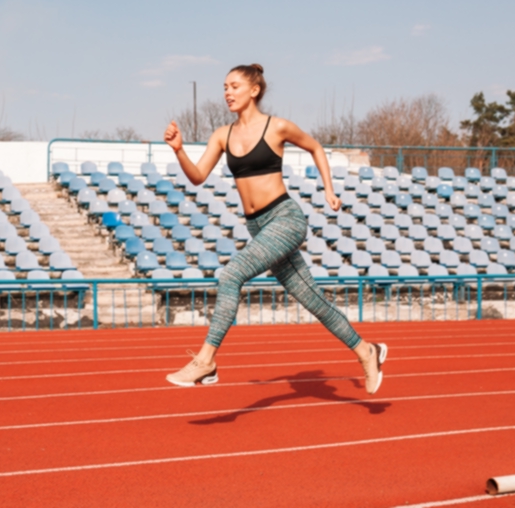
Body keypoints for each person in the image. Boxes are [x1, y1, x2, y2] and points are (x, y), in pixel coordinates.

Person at [163, 64, 388, 394]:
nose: (227, 92)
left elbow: (314, 147)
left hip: (285, 219)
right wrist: (179, 150)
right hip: (258, 227)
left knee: (232, 274)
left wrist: (329, 189)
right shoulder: (222, 135)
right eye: (224, 86)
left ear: (254, 90)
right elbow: (197, 176)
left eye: (234, 86)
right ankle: (367, 350)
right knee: (313, 301)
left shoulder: (276, 127)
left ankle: (206, 361)